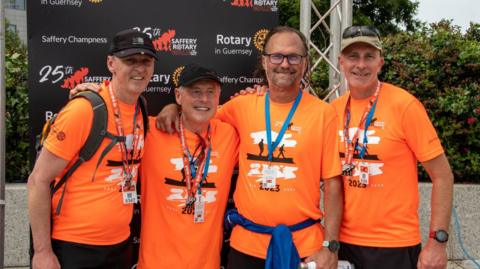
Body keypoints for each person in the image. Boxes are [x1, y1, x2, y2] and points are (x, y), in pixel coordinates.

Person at [158, 26, 343, 269]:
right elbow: (198, 118)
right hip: (245, 245)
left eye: (294, 57)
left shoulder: (324, 114)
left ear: (305, 63)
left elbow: (332, 184)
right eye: (276, 56)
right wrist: (173, 108)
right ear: (264, 62)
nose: (284, 64)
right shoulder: (241, 106)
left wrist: (330, 246)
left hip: (304, 247)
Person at [28, 28, 157, 269]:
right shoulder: (84, 110)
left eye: (146, 61)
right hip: (75, 247)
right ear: (111, 63)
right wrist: (42, 252)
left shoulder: (141, 107)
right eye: (130, 60)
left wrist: (173, 110)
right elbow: (38, 180)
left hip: (120, 245)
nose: (140, 68)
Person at [332, 25, 454, 269]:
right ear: (341, 62)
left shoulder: (405, 105)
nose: (361, 65)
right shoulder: (333, 110)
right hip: (344, 243)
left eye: (369, 56)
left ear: (381, 62)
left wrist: (437, 242)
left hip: (394, 245)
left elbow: (443, 176)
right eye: (353, 56)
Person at [137, 63, 239, 269]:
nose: (204, 99)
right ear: (178, 95)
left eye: (211, 92)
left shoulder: (230, 135)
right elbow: (111, 117)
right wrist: (87, 92)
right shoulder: (150, 132)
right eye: (195, 92)